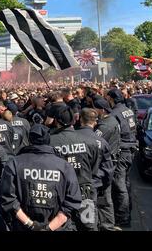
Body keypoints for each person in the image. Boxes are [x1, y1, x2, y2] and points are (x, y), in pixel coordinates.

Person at [0, 124, 82, 231]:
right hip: (56, 227)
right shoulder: (64, 166)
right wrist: (48, 228)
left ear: (30, 140)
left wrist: (31, 225)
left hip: (24, 226)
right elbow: (72, 202)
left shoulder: (14, 163)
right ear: (48, 140)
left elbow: (8, 199)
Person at [49, 105, 100, 231]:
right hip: (85, 192)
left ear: (56, 121)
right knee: (88, 227)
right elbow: (93, 169)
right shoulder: (91, 142)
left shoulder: (50, 142)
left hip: (60, 194)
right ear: (74, 120)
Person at [106, 89, 137, 227]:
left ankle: (123, 217)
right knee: (125, 181)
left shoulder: (114, 114)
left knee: (119, 185)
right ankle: (128, 209)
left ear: (112, 99)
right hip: (130, 148)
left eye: (108, 98)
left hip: (123, 150)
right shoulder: (127, 110)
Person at [93, 98, 121, 231]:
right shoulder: (111, 120)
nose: (94, 111)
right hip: (109, 162)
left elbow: (93, 141)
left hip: (105, 165)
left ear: (102, 110)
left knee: (104, 197)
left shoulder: (105, 126)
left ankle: (107, 225)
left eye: (95, 109)